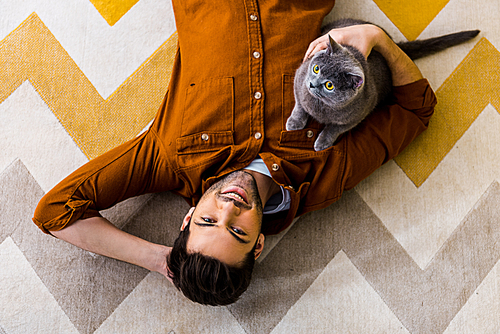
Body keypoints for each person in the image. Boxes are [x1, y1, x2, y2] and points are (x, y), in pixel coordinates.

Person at [32, 0, 436, 306]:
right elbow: (416, 110)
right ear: (258, 244)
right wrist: (376, 38)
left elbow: (56, 210)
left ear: (189, 216)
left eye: (208, 221)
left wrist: (163, 260)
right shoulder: (324, 177)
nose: (229, 208)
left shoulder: (169, 160)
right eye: (238, 231)